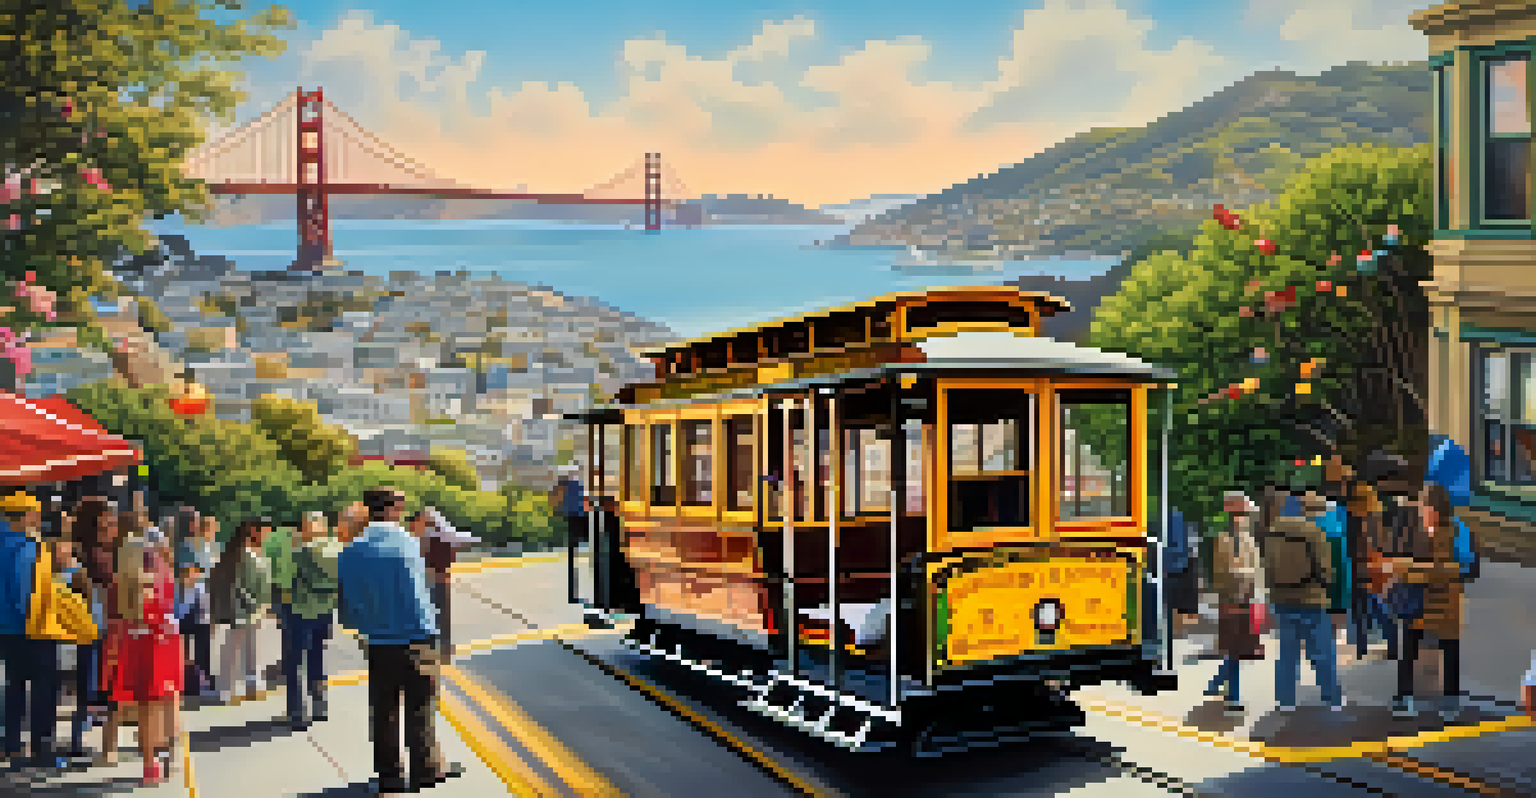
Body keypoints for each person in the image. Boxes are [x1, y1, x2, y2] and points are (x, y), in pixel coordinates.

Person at [339, 488, 463, 794]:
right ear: (395, 509)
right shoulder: (409, 543)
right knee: (420, 707)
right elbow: (418, 594)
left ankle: (390, 776)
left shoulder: (350, 550)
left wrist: (366, 627)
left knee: (383, 711)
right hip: (417, 637)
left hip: (378, 642)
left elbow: (347, 608)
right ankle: (426, 770)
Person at [105, 527, 184, 785]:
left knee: (145, 706)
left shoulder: (120, 582)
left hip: (135, 644)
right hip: (164, 641)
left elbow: (114, 618)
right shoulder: (161, 576)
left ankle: (149, 764)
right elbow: (170, 609)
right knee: (169, 699)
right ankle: (170, 758)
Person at [1386, 483, 1467, 721]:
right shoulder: (1414, 528)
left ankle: (1451, 702)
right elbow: (1399, 558)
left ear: (1436, 506)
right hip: (1418, 597)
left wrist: (1423, 570)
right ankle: (1402, 698)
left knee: (1450, 648)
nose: (1422, 509)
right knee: (1409, 647)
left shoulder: (1457, 529)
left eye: (1425, 504)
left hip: (1446, 599)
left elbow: (1468, 567)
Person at [1, 490, 68, 772]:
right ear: (27, 515)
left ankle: (12, 746)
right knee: (43, 689)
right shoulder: (29, 548)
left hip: (5, 630)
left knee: (14, 687)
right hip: (34, 627)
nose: (39, 519)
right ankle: (42, 750)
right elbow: (26, 590)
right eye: (36, 514)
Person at [1260, 488, 1344, 712]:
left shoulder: (1271, 532)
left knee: (1287, 653)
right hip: (1312, 598)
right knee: (1322, 651)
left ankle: (1286, 700)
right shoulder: (1313, 531)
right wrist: (1328, 583)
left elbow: (1267, 567)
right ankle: (1331, 697)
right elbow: (1325, 568)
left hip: (1281, 599)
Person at [279, 511, 342, 728]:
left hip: (300, 610)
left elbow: (285, 581)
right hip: (325, 611)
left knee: (295, 661)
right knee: (318, 657)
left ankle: (297, 712)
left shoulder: (299, 551)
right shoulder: (337, 548)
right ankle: (320, 706)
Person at [1204, 491, 1265, 716]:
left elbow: (1257, 570)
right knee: (1237, 650)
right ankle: (1233, 696)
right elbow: (1223, 573)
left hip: (1248, 602)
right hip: (1232, 601)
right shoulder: (1224, 539)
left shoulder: (1249, 540)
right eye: (1243, 514)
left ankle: (1216, 683)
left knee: (1239, 650)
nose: (1246, 519)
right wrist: (1247, 574)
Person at [211, 518, 274, 704]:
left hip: (248, 607)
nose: (268, 535)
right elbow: (246, 584)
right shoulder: (246, 555)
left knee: (246, 648)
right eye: (265, 531)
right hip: (246, 608)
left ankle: (241, 687)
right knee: (241, 648)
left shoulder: (241, 552)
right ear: (254, 531)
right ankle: (230, 688)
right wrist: (257, 603)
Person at [412, 506, 478, 657]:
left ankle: (442, 647)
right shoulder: (418, 538)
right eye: (427, 520)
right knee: (433, 617)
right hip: (428, 581)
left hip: (435, 581)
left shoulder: (438, 538)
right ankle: (438, 647)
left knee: (438, 616)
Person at [554, 468, 585, 603]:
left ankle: (572, 594)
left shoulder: (564, 486)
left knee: (572, 557)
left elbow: (557, 504)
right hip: (580, 518)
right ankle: (573, 594)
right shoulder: (578, 485)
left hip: (572, 519)